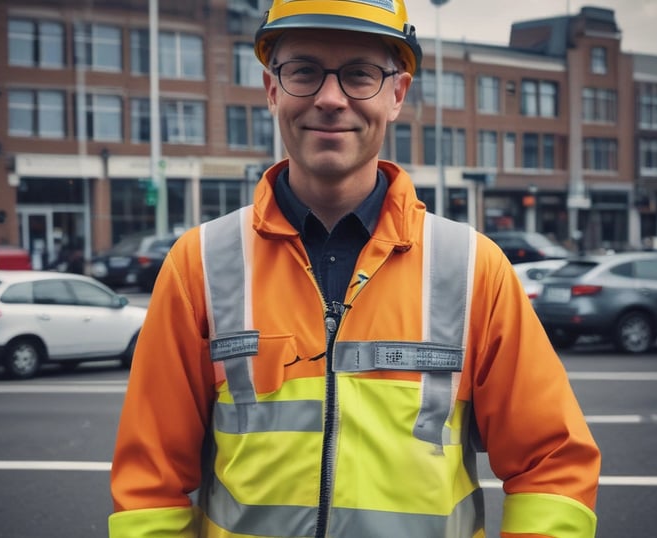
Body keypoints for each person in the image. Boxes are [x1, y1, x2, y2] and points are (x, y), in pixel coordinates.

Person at [109, 1, 601, 536]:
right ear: (272, 89)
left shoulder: (473, 269)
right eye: (304, 72)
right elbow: (149, 485)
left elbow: (552, 465)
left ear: (397, 94)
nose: (329, 98)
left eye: (359, 75)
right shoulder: (199, 264)